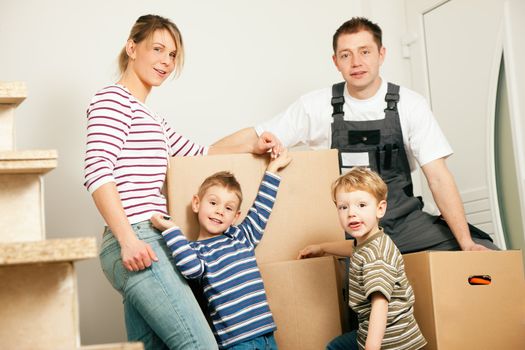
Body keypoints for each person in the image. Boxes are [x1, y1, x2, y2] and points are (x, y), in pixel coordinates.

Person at [213, 16, 497, 253]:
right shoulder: (316, 106)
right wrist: (203, 152)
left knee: (484, 251)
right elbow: (256, 136)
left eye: (365, 51)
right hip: (350, 229)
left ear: (381, 54)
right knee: (359, 289)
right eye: (346, 55)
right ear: (335, 61)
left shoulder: (411, 104)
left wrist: (466, 243)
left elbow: (437, 176)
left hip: (404, 222)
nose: (356, 62)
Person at [83, 14, 277, 350]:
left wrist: (253, 142)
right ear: (132, 47)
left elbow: (201, 152)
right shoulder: (112, 100)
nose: (166, 61)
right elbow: (97, 170)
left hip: (150, 238)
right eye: (157, 49)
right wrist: (128, 238)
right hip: (136, 237)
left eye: (172, 55)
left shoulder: (152, 119)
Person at [149, 149, 292, 349]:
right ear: (197, 203)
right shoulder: (193, 250)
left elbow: (261, 207)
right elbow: (190, 270)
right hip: (235, 342)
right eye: (214, 202)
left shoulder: (241, 237)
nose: (219, 211)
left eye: (228, 208)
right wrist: (171, 229)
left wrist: (272, 169)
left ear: (235, 217)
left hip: (267, 334)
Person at [298, 167, 426, 350]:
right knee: (336, 346)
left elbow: (380, 304)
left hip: (391, 341)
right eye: (343, 207)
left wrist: (371, 347)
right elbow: (352, 248)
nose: (351, 213)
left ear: (380, 209)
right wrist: (323, 248)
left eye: (361, 205)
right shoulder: (370, 242)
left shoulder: (377, 256)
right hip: (379, 330)